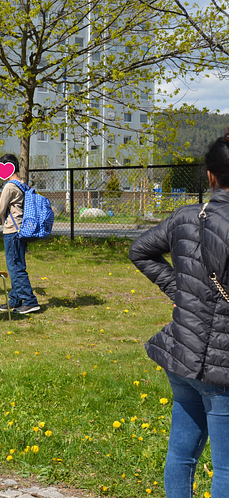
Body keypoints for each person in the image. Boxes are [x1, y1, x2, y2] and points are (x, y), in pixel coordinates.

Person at [129, 132, 229, 498]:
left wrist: (181, 292)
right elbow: (141, 251)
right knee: (227, 467)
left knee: (181, 454)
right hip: (222, 368)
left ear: (210, 176)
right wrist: (181, 290)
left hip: (183, 355)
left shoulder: (187, 216)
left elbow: (140, 250)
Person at [0, 154, 40, 314]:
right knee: (17, 265)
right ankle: (14, 301)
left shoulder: (9, 186)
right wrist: (2, 220)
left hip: (13, 233)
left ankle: (30, 301)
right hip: (20, 230)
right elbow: (16, 209)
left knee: (15, 268)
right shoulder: (21, 183)